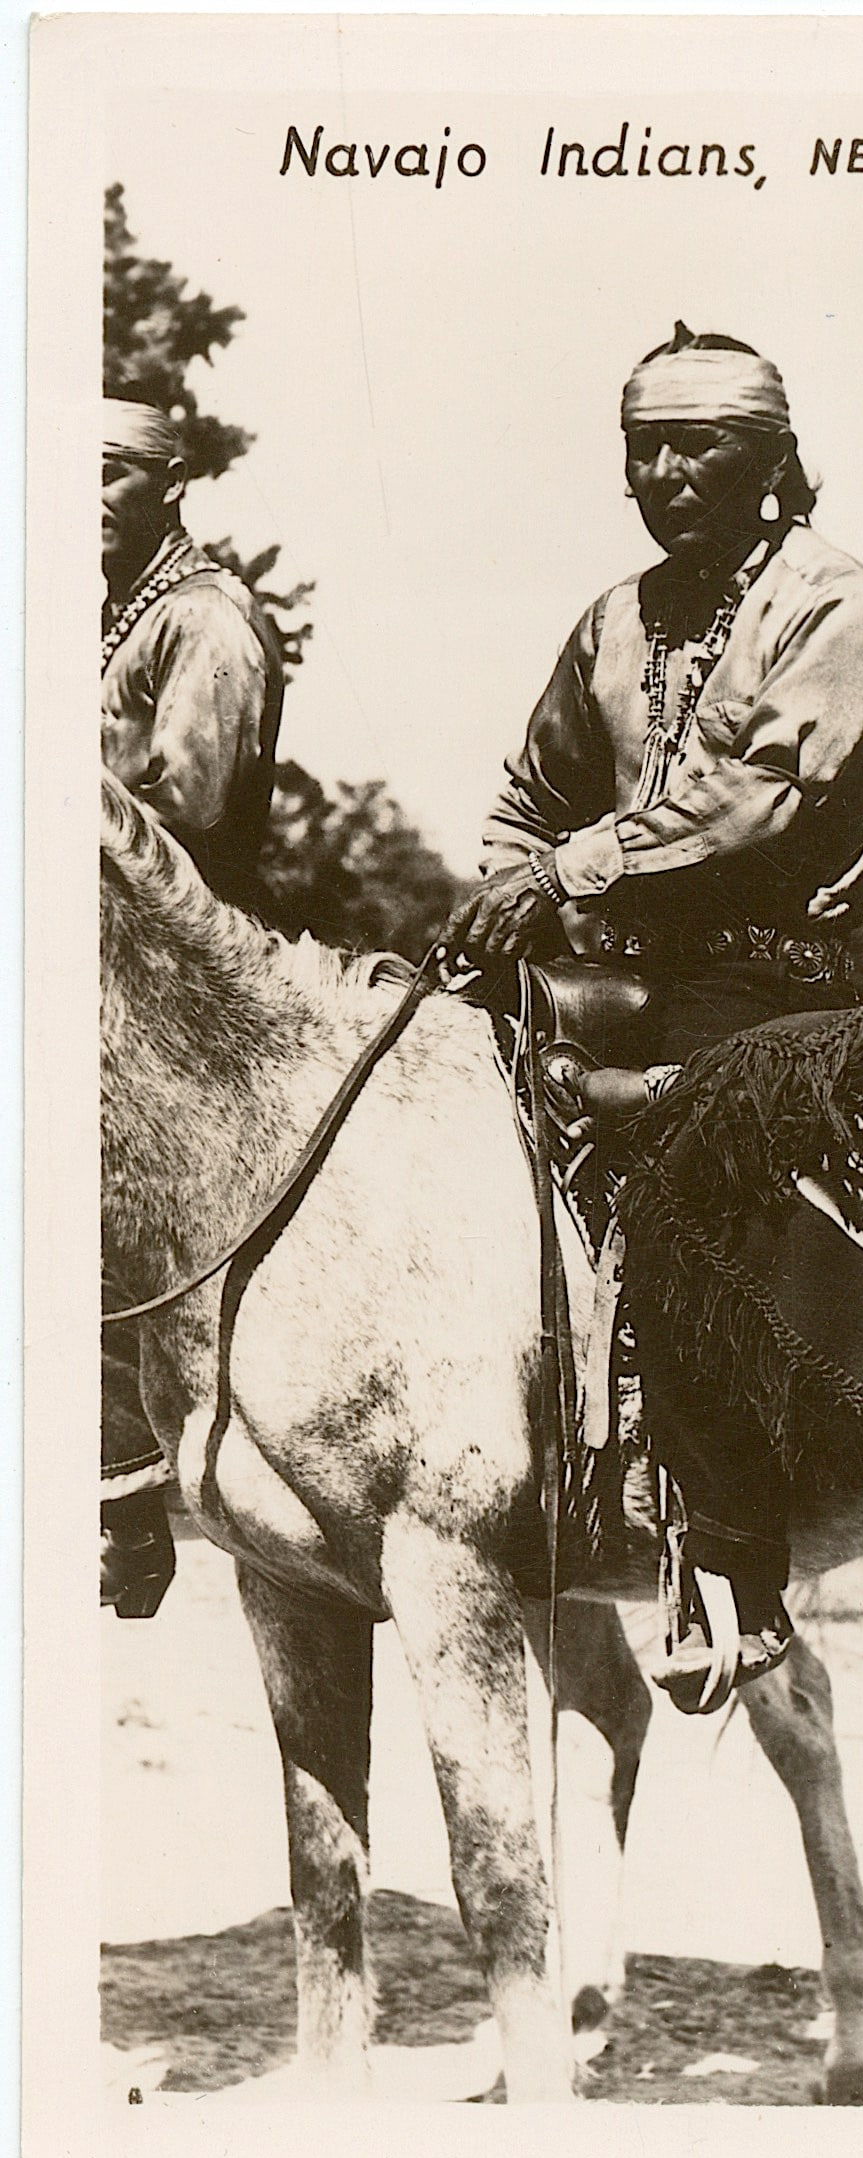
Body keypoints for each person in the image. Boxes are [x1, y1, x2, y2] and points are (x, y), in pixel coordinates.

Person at [450, 323, 863, 1703]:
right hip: (606, 966)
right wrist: (504, 895)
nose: (662, 474)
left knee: (683, 1187)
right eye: (642, 449)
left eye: (694, 446)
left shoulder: (838, 603)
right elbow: (531, 794)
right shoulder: (612, 619)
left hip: (765, 975)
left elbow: (759, 797)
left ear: (768, 456)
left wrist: (567, 873)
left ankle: (730, 1550)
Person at [101, 396, 286, 1616]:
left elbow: (190, 809)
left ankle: (126, 1492)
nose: (83, 500)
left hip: (185, 982)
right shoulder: (110, 614)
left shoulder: (206, 619)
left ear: (170, 484)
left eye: (110, 473)